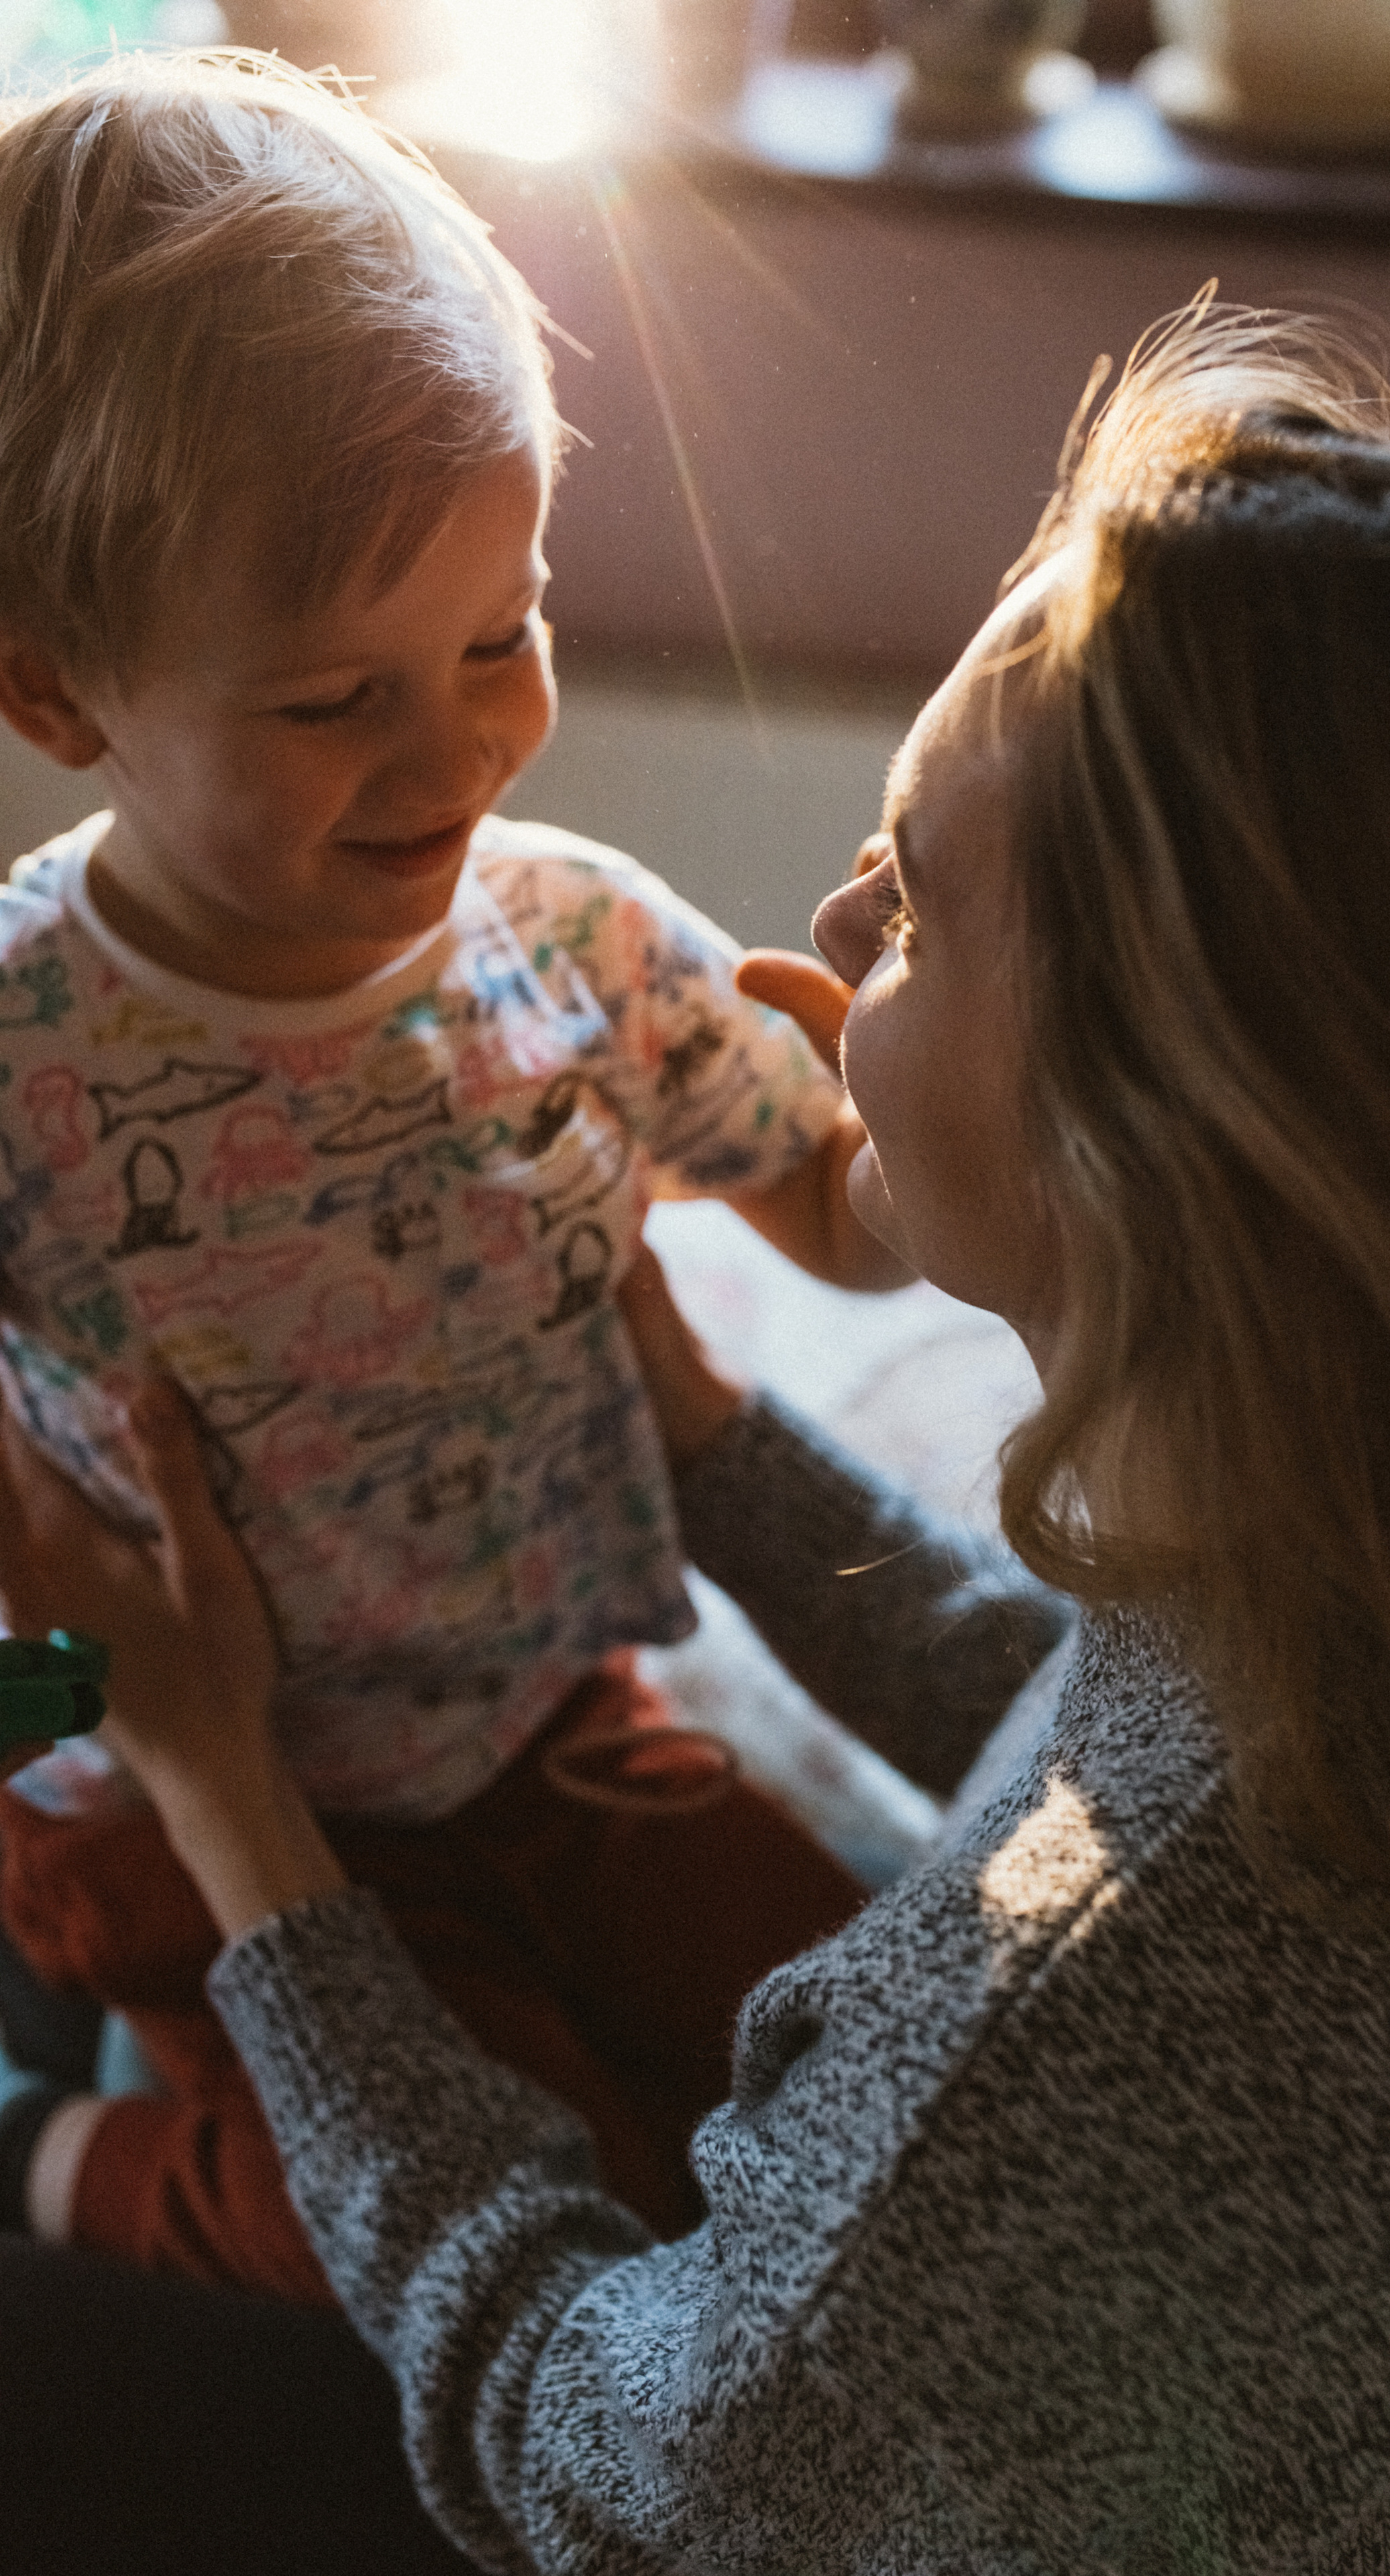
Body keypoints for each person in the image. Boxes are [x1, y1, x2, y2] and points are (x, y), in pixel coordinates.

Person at [7, 300, 1390, 2571]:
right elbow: (1082, 1767)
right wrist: (701, 1433)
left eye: (912, 900)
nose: (818, 926)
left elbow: (598, 2452)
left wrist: (232, 1798)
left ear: (1189, 1121)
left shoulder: (1018, 2081)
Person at [0, 51, 905, 2302]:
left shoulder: (577, 937)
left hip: (554, 1721)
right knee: (475, 2216)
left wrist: (993, 1086)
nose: (465, 746)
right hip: (193, 1813)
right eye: (332, 703)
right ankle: (53, 2158)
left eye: (501, 637)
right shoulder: (20, 1049)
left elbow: (850, 1226)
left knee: (885, 2085)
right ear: (54, 691)